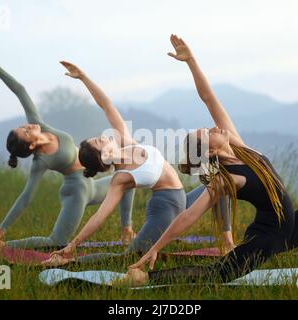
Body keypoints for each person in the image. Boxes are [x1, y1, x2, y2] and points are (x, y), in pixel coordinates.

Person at [122, 35, 298, 286]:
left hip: (290, 229)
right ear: (211, 152)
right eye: (208, 133)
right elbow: (187, 217)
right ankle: (146, 278)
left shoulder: (237, 145)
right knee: (218, 274)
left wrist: (191, 61)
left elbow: (208, 98)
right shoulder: (225, 179)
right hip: (266, 238)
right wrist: (156, 248)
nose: (213, 127)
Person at [42, 60, 236, 267]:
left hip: (183, 199)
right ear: (103, 157)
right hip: (166, 209)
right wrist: (73, 245)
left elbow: (107, 106)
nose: (103, 137)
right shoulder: (121, 178)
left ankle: (227, 243)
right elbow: (99, 217)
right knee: (128, 258)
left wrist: (83, 78)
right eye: (99, 141)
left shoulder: (127, 143)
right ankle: (67, 261)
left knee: (221, 184)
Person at [0, 59, 136, 249]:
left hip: (92, 184)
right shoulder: (41, 161)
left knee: (128, 177)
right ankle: (1, 246)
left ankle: (127, 231)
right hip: (77, 191)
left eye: (22, 127)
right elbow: (25, 197)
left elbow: (21, 91)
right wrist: (1, 230)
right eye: (26, 132)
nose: (27, 126)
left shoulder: (39, 125)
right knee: (57, 242)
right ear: (32, 145)